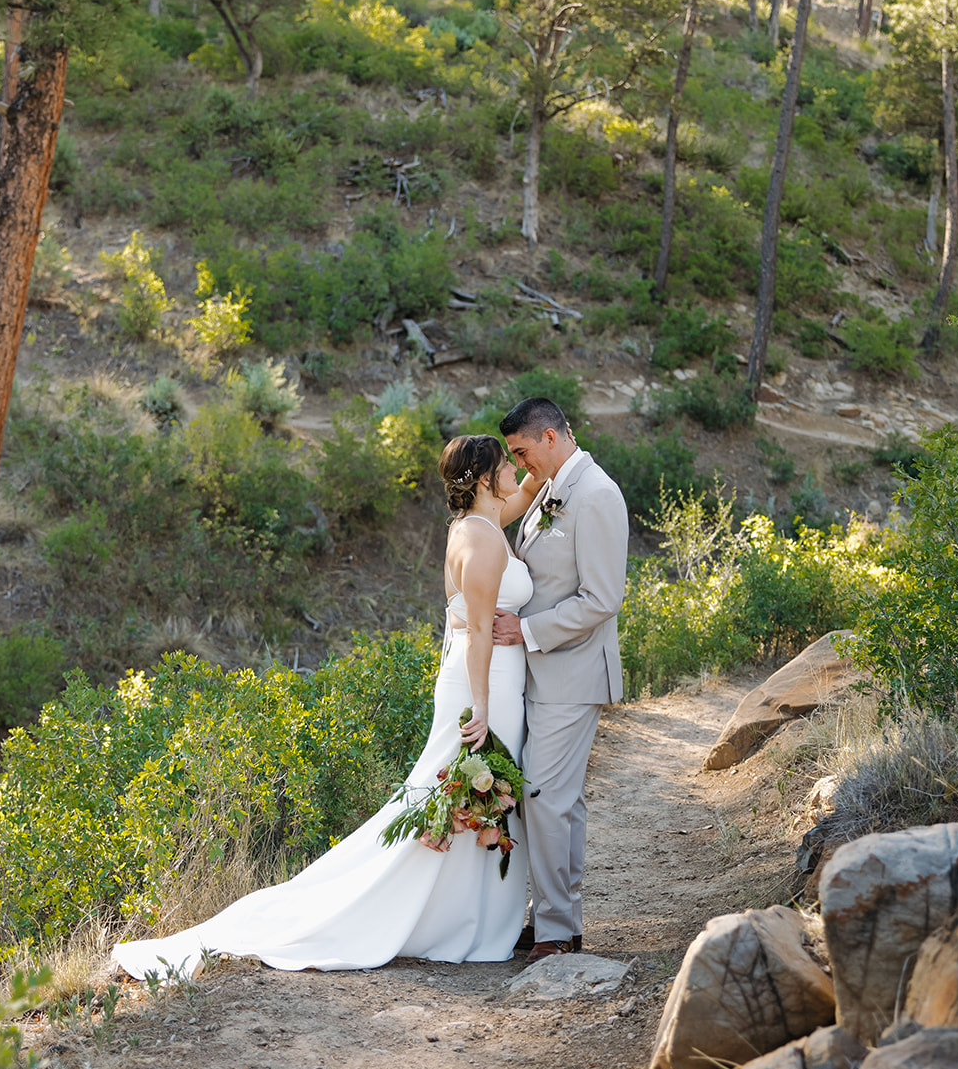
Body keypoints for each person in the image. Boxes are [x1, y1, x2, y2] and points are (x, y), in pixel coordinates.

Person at [112, 435, 541, 981]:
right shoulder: (482, 540)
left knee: (461, 794)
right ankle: (443, 919)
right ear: (483, 478)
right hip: (485, 684)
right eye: (506, 463)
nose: (515, 468)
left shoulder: (479, 523)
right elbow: (480, 628)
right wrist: (480, 707)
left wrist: (562, 455)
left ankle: (468, 915)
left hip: (487, 677)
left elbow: (527, 491)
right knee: (463, 791)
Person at [493, 398, 629, 966]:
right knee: (554, 803)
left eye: (522, 452)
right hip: (543, 674)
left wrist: (526, 631)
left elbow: (602, 599)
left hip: (572, 672)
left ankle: (554, 928)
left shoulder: (596, 495)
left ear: (551, 437)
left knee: (544, 797)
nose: (520, 463)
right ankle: (558, 921)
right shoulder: (549, 489)